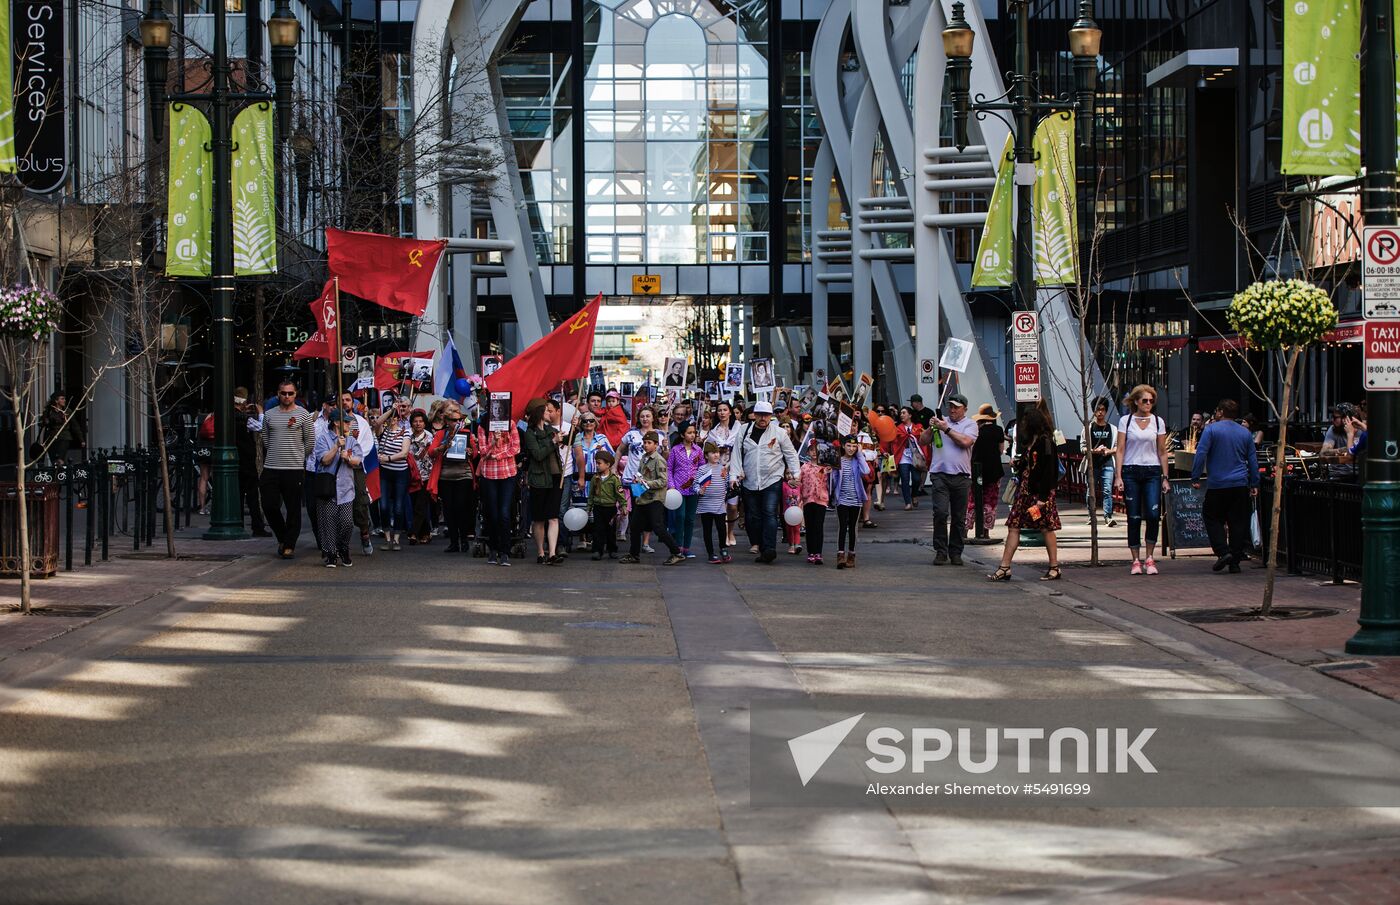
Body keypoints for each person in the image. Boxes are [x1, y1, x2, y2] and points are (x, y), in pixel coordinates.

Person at [987, 407, 1062, 582]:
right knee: (1014, 526)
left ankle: (1054, 566)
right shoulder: (1032, 442)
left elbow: (1048, 471)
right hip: (1026, 493)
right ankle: (1004, 567)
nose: (1022, 426)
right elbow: (1031, 465)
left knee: (1046, 528)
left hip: (1038, 495)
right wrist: (1019, 463)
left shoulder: (1045, 442)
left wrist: (1043, 498)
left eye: (1025, 422)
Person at [1191, 399, 1260, 574]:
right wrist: (1254, 482)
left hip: (1217, 484)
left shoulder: (1211, 430)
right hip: (1239, 483)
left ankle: (1223, 551)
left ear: (1221, 412)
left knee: (1212, 517)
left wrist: (1195, 476)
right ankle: (1235, 561)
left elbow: (1201, 453)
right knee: (1237, 522)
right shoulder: (1244, 433)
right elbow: (1252, 459)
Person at [250, 380, 315, 558]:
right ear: (278, 394)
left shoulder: (303, 415)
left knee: (293, 508)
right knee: (269, 505)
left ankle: (289, 545)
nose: (287, 396)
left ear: (296, 395)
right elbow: (266, 439)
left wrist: (298, 455)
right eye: (283, 393)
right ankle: (282, 536)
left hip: (293, 468)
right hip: (271, 466)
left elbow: (309, 441)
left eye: (290, 393)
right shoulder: (270, 414)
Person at [730, 400, 800, 564]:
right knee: (753, 516)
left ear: (771, 416)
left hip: (772, 479)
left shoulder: (779, 432)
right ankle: (761, 546)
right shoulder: (744, 430)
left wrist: (796, 473)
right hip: (749, 480)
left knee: (769, 513)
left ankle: (769, 548)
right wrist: (733, 476)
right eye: (760, 414)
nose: (763, 418)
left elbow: (790, 454)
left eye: (766, 415)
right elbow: (736, 455)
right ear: (754, 415)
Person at [1113, 384, 1170, 575]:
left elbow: (1162, 451)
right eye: (1144, 400)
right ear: (1136, 401)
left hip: (1152, 470)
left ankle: (1150, 557)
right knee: (1134, 516)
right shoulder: (1125, 421)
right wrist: (1118, 476)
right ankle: (1135, 559)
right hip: (1131, 470)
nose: (1148, 404)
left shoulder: (1158, 421)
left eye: (1151, 401)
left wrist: (1165, 477)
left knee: (1153, 515)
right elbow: (1120, 450)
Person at [921, 393, 979, 566]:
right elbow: (923, 441)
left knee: (958, 517)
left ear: (965, 409)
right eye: (950, 406)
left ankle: (955, 552)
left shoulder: (971, 424)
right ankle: (940, 551)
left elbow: (966, 442)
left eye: (956, 407)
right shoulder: (940, 421)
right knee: (940, 513)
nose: (952, 410)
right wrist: (931, 428)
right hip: (940, 474)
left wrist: (946, 429)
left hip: (961, 477)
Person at [620, 431, 686, 565]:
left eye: (649, 443)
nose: (646, 445)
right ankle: (634, 554)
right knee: (635, 526)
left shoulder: (659, 460)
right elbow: (640, 474)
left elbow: (663, 481)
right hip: (642, 498)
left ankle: (677, 552)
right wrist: (636, 481)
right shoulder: (644, 457)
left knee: (658, 527)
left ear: (656, 445)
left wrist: (646, 483)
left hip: (654, 499)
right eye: (644, 442)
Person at [311, 408, 364, 568]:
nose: (349, 424)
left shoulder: (352, 441)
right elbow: (324, 460)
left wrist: (348, 458)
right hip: (328, 488)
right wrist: (335, 447)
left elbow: (358, 460)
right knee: (328, 522)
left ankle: (343, 547)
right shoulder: (323, 439)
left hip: (346, 488)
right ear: (336, 422)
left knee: (347, 522)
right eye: (346, 421)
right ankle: (330, 553)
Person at [427, 401, 478, 554]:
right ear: (447, 421)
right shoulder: (441, 434)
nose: (457, 423)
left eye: (459, 420)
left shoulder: (466, 433)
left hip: (463, 475)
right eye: (454, 420)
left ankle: (464, 540)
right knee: (449, 510)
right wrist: (444, 446)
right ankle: (454, 542)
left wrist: (470, 451)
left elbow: (475, 453)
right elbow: (431, 452)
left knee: (461, 508)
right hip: (446, 476)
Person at [523, 398, 566, 565]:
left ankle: (553, 552)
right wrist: (553, 442)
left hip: (555, 476)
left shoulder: (551, 430)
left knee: (553, 516)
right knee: (539, 518)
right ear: (540, 413)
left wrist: (574, 429)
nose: (549, 413)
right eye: (547, 411)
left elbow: (564, 439)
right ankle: (541, 551)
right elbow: (538, 454)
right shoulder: (530, 433)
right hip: (540, 479)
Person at [475, 408, 520, 565]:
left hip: (508, 473)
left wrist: (498, 455)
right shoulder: (482, 427)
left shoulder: (511, 424)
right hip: (489, 474)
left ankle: (505, 551)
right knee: (492, 514)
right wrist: (493, 443)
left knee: (505, 514)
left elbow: (516, 448)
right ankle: (493, 549)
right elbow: (482, 452)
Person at [374, 398, 413, 550]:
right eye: (391, 418)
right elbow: (377, 423)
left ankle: (396, 538)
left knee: (398, 506)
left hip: (400, 473)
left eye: (395, 417)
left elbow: (404, 453)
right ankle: (387, 537)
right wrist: (391, 409)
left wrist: (387, 458)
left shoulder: (406, 431)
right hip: (385, 472)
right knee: (383, 506)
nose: (392, 420)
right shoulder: (383, 432)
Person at [232, 388, 268, 537]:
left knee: (238, 494)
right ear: (245, 402)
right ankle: (257, 526)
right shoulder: (245, 419)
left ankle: (239, 523)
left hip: (234, 460)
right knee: (252, 495)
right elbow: (263, 427)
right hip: (246, 460)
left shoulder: (228, 416)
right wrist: (260, 413)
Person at [831, 435, 870, 569]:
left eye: (854, 446)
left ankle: (851, 555)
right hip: (842, 499)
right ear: (843, 446)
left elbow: (866, 471)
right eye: (848, 445)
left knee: (853, 527)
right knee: (842, 526)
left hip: (856, 499)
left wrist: (859, 454)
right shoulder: (838, 461)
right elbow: (834, 480)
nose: (851, 448)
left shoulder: (857, 460)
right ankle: (840, 554)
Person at [966, 403, 1004, 535]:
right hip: (994, 470)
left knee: (973, 501)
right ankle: (985, 532)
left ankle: (965, 530)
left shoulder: (976, 431)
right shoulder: (998, 430)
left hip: (976, 469)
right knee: (990, 501)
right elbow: (1001, 450)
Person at [667, 422, 704, 557]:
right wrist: (671, 485)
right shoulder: (675, 450)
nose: (692, 435)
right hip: (678, 489)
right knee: (680, 516)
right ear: (682, 434)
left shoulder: (698, 450)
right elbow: (669, 468)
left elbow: (702, 467)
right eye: (689, 433)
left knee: (690, 518)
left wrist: (702, 484)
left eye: (694, 432)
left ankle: (687, 548)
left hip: (693, 489)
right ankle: (678, 546)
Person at [694, 443, 731, 564]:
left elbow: (726, 483)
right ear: (706, 455)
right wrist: (699, 490)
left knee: (721, 528)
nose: (716, 455)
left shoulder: (722, 468)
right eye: (712, 452)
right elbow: (695, 485)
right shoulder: (702, 469)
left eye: (717, 452)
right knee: (707, 530)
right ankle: (710, 553)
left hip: (719, 504)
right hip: (705, 504)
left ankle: (723, 548)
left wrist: (728, 487)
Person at [1085, 398, 1117, 526]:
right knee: (1090, 491)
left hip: (1108, 462)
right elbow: (1083, 447)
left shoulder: (1112, 429)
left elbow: (1117, 447)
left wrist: (1109, 451)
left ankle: (1108, 516)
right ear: (1093, 411)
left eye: (1103, 409)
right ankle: (1091, 516)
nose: (1100, 412)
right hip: (1093, 464)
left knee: (1107, 490)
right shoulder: (1088, 428)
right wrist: (1093, 450)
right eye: (1097, 409)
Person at [799, 438, 832, 565]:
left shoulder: (825, 467)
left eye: (817, 450)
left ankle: (818, 552)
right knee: (810, 526)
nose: (814, 452)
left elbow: (831, 480)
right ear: (807, 452)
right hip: (808, 499)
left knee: (819, 525)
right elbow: (799, 481)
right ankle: (811, 552)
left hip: (821, 499)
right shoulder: (804, 467)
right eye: (811, 450)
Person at [408, 409, 436, 545]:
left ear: (425, 423)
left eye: (420, 421)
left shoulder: (430, 437)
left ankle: (413, 533)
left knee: (421, 504)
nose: (418, 424)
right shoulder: (408, 437)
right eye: (415, 421)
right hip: (412, 475)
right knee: (416, 505)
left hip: (427, 475)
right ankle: (425, 533)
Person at [588, 449, 623, 560]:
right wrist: (589, 507)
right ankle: (597, 550)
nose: (597, 466)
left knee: (611, 530)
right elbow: (591, 494)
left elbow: (619, 493)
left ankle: (612, 549)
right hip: (598, 507)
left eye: (599, 463)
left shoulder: (614, 479)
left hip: (610, 508)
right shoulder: (595, 478)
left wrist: (624, 505)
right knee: (598, 530)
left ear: (608, 465)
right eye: (596, 463)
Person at [1321, 406, 1356, 481]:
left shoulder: (1361, 430)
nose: (1332, 420)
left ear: (1346, 418)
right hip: (1337, 474)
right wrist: (1341, 450)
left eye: (1335, 417)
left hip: (1358, 475)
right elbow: (1323, 452)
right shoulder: (1333, 429)